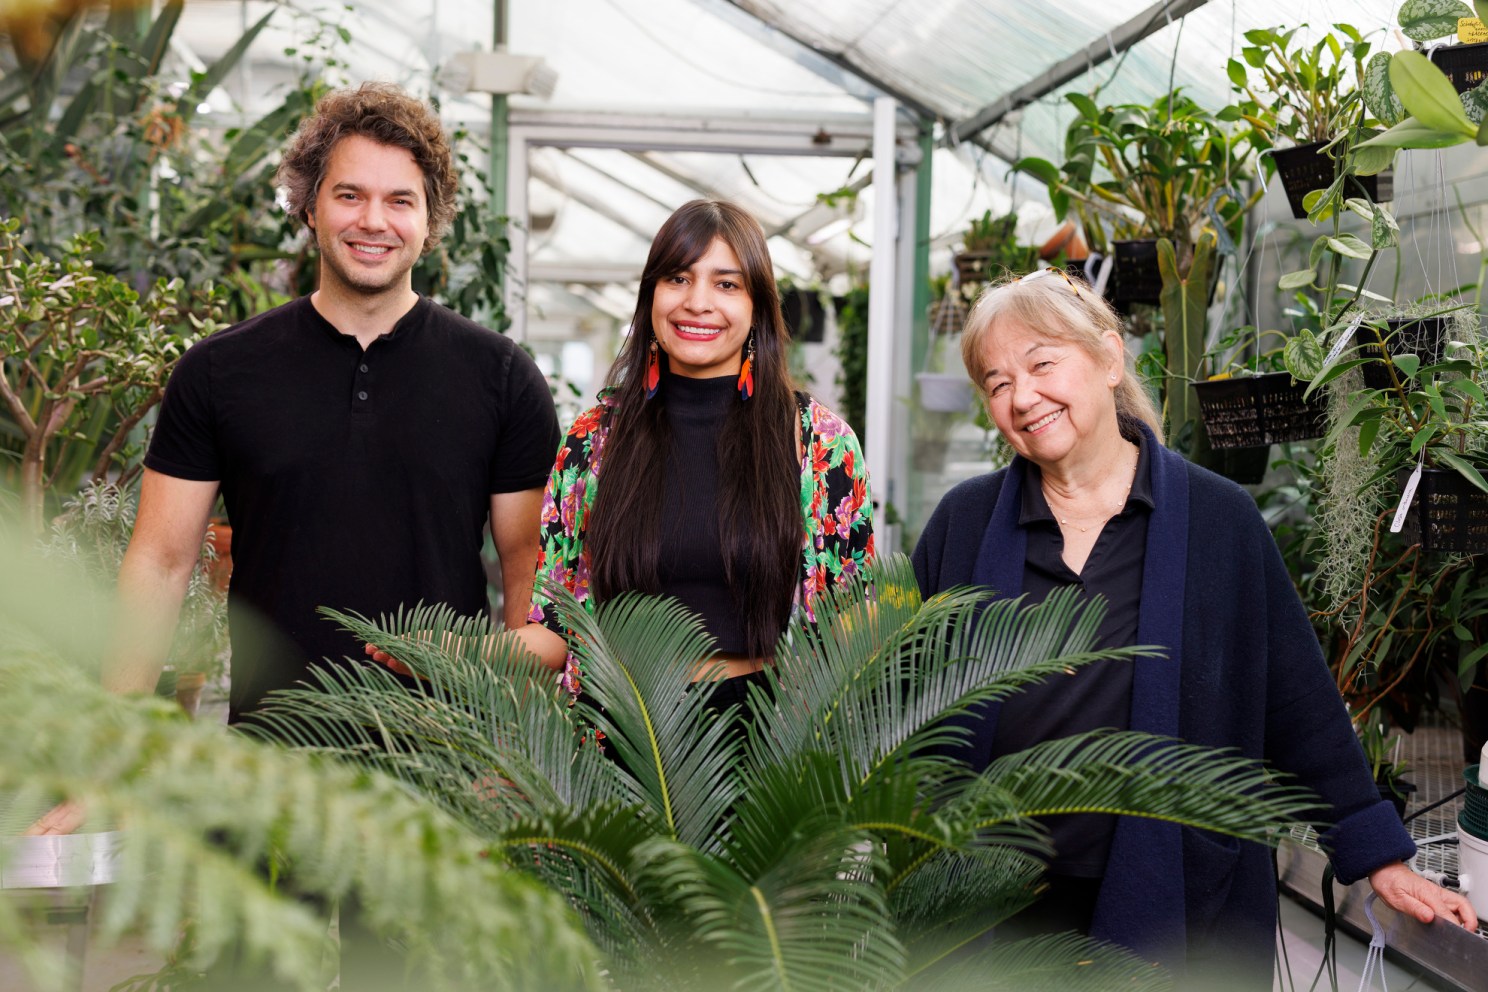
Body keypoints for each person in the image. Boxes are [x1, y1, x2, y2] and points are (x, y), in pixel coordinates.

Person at [910, 268, 1476, 981]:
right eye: (996, 383)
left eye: (1042, 364)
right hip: (990, 910)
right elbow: (906, 705)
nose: (1022, 397)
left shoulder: (1217, 520)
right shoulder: (963, 524)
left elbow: (1294, 699)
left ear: (1109, 359)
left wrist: (1376, 852)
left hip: (1175, 898)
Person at [28, 83, 558, 838]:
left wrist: (517, 757)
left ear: (430, 221)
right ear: (309, 206)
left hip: (444, 775)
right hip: (264, 766)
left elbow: (525, 570)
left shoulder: (500, 378)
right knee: (250, 961)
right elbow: (160, 562)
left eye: (400, 201)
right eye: (349, 195)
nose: (373, 221)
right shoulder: (220, 373)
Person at [499, 199, 874, 705]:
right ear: (650, 295)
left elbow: (855, 623)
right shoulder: (593, 442)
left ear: (757, 306)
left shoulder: (820, 444)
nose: (697, 302)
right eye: (677, 278)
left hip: (773, 741)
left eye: (726, 284)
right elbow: (554, 627)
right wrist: (463, 652)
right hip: (623, 735)